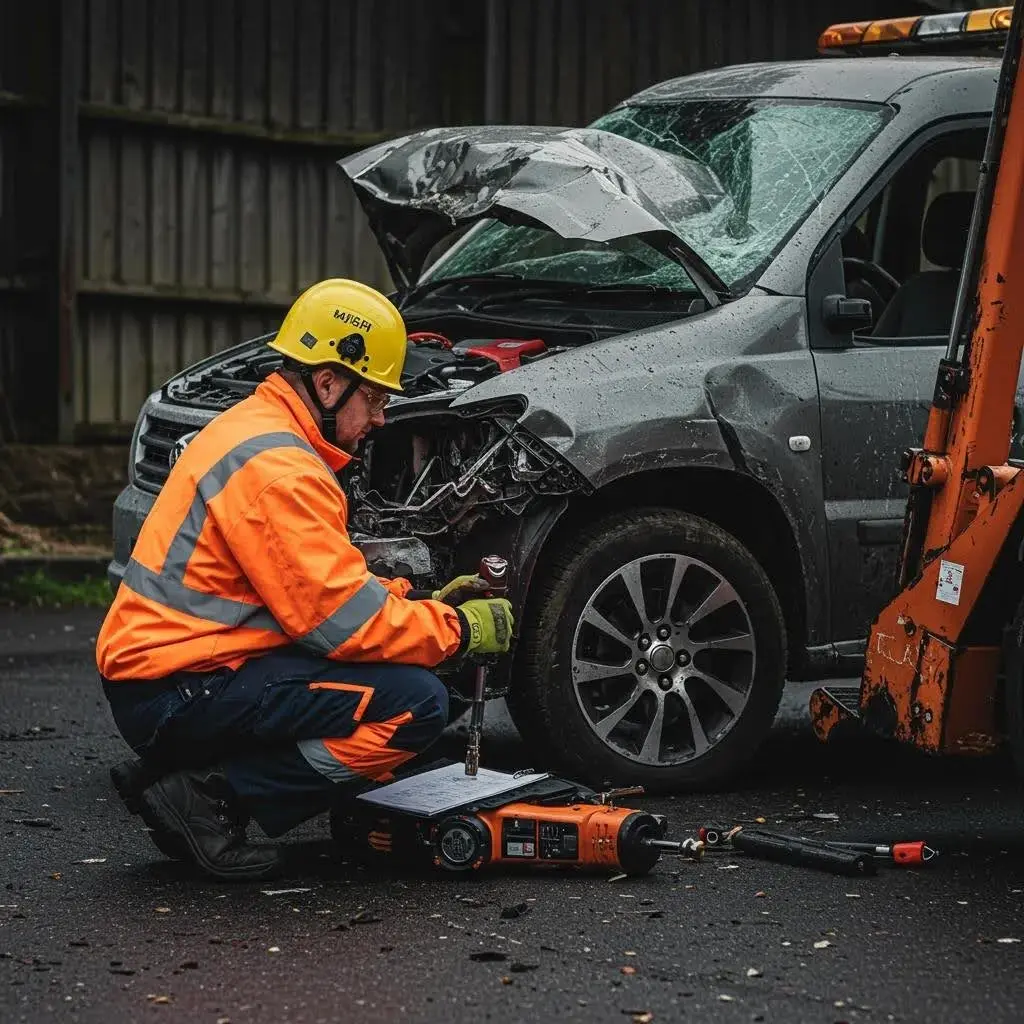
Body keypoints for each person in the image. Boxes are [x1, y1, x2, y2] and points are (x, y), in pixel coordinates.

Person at [95, 279, 513, 882]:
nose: (380, 418)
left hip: (171, 676)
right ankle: (210, 795)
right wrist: (457, 629)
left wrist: (416, 602)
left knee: (397, 670)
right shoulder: (282, 470)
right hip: (177, 691)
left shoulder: (254, 429)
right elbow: (341, 625)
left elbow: (310, 589)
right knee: (417, 704)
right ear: (328, 383)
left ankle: (182, 771)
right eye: (374, 397)